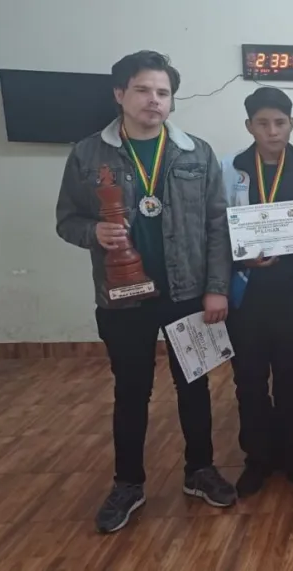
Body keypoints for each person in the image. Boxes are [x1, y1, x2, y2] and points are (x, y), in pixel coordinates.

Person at [54, 50, 236, 534]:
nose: (153, 101)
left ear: (172, 101)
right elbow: (66, 220)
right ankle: (128, 484)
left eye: (162, 93)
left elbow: (219, 227)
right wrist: (93, 232)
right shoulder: (88, 154)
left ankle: (200, 470)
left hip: (188, 292)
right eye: (143, 90)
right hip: (123, 295)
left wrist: (216, 289)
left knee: (194, 387)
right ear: (120, 95)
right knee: (131, 392)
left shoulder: (196, 152)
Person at [219, 87, 293, 497]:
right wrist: (240, 257)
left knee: (290, 375)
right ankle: (257, 458)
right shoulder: (228, 169)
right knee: (248, 377)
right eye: (263, 123)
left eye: (280, 123)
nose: (272, 131)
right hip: (245, 291)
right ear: (249, 126)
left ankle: (290, 452)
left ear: (291, 124)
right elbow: (215, 227)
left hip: (291, 292)